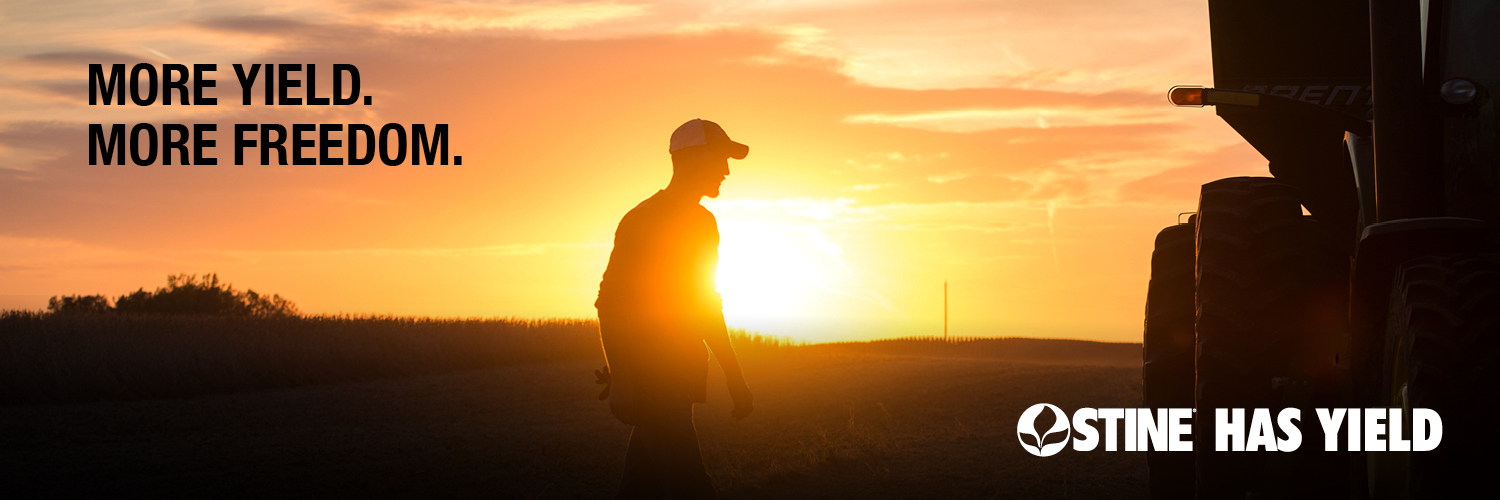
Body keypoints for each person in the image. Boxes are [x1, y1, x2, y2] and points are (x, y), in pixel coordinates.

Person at [594, 118, 755, 500]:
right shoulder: (642, 220)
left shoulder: (705, 223)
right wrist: (623, 379)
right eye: (721, 160)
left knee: (640, 486)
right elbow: (610, 304)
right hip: (652, 382)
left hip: (679, 379)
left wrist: (734, 376)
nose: (727, 171)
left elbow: (705, 304)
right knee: (690, 486)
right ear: (694, 159)